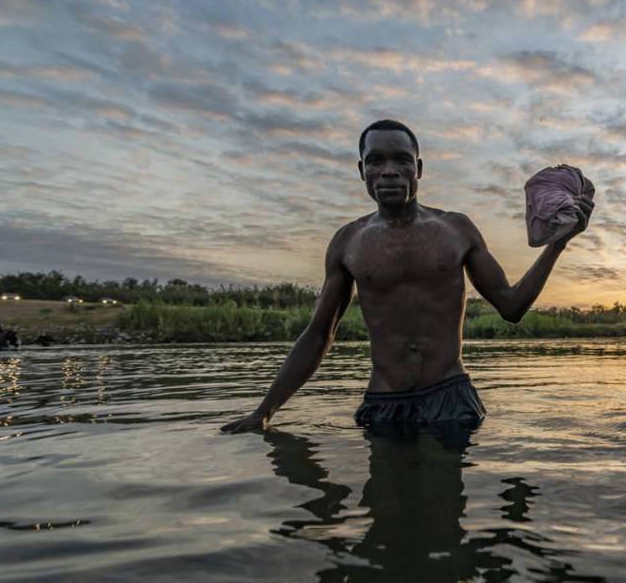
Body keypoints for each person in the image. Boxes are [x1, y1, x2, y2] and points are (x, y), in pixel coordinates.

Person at [221, 119, 594, 438]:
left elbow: (511, 307)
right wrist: (264, 411)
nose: (388, 170)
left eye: (401, 160)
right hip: (383, 403)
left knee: (445, 516)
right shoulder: (347, 242)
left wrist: (557, 246)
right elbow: (319, 334)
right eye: (375, 161)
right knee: (384, 516)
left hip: (451, 399)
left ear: (419, 168)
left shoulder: (456, 229)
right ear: (361, 170)